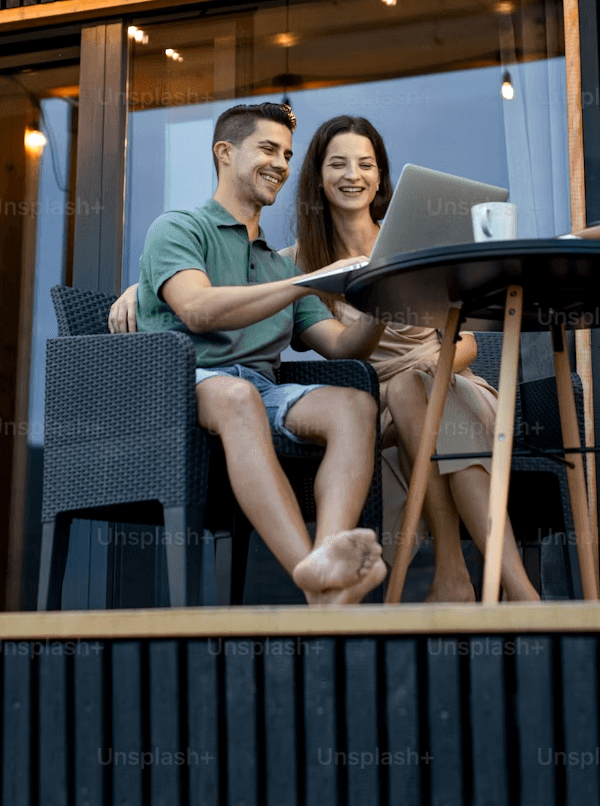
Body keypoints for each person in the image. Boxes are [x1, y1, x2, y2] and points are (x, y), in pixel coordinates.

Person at [107, 101, 388, 607]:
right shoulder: (179, 228)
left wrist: (382, 301)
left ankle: (326, 563)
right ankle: (313, 583)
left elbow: (343, 346)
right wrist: (305, 284)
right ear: (224, 153)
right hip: (179, 386)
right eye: (267, 149)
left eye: (286, 153)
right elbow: (196, 309)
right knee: (237, 396)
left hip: (262, 392)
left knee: (355, 406)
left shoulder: (278, 268)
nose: (281, 163)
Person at [287, 114, 539, 604]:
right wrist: (139, 288)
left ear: (381, 176)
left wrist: (434, 370)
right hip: (376, 405)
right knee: (406, 394)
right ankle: (518, 590)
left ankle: (456, 575)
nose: (352, 175)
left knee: (421, 395)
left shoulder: (415, 242)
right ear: (318, 176)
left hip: (449, 384)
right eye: (337, 164)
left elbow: (465, 342)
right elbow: (339, 346)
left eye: (365, 164)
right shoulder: (299, 264)